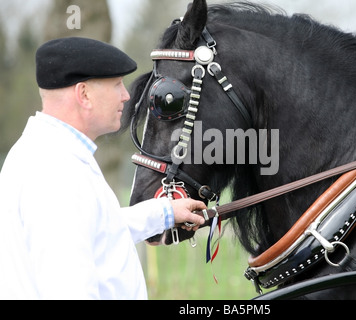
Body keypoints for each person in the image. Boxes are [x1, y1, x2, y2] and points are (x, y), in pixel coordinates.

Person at [0, 37, 206, 300]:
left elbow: (97, 229)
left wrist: (165, 211)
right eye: (117, 84)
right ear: (84, 94)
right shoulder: (56, 174)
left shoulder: (48, 155)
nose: (126, 95)